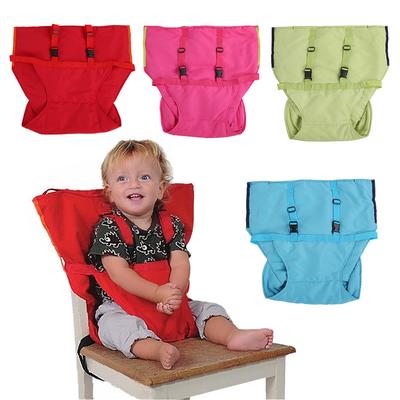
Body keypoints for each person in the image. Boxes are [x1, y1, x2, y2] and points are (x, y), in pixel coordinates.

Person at [87, 139, 273, 369]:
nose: (134, 184)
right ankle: (154, 349)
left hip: (170, 305)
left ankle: (232, 335)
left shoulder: (171, 224)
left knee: (209, 310)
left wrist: (174, 293)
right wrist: (157, 293)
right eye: (122, 179)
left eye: (144, 177)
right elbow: (119, 273)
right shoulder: (108, 228)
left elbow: (180, 263)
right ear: (110, 192)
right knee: (112, 326)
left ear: (160, 188)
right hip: (124, 306)